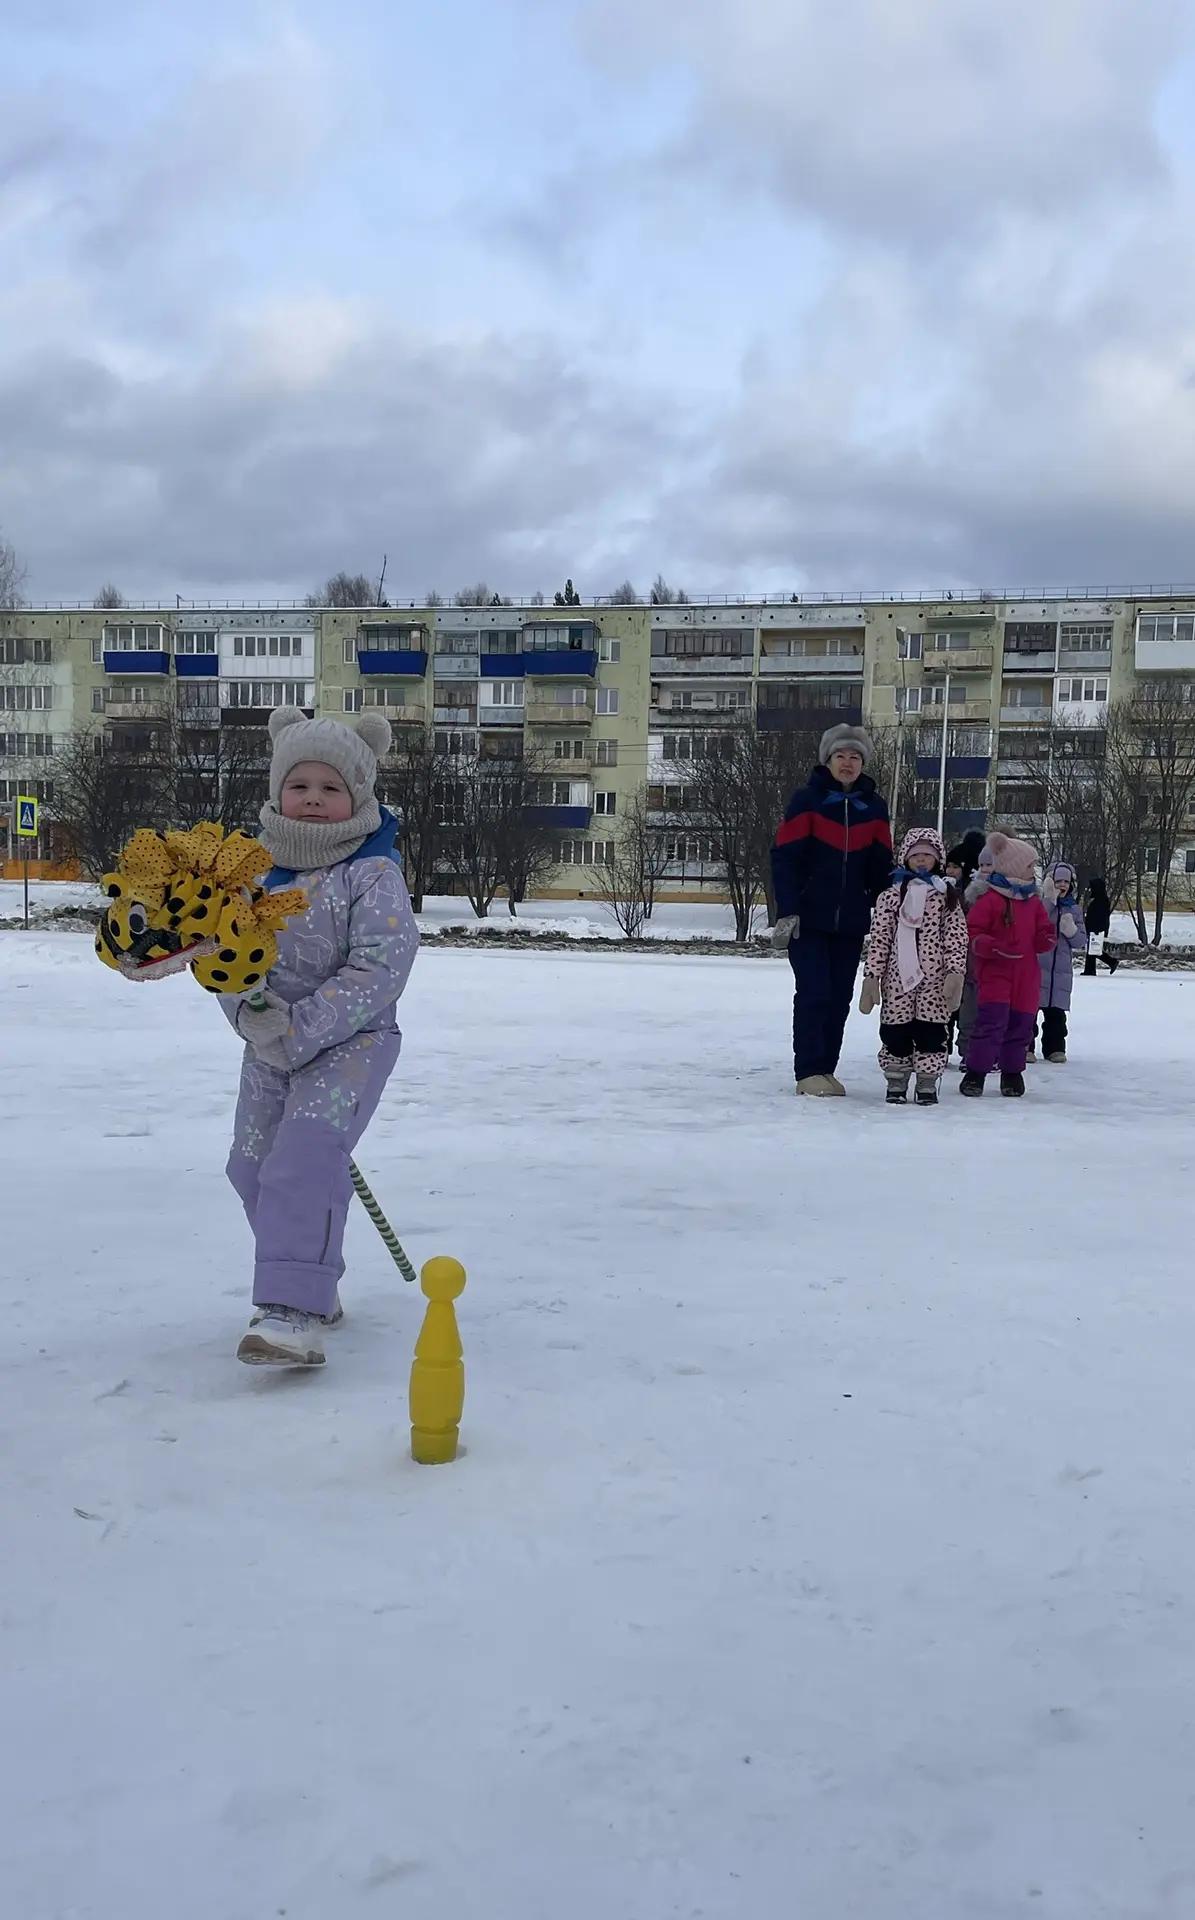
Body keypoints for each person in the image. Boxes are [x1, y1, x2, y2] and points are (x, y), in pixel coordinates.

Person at [223, 707, 420, 1368]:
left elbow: (380, 967)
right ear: (277, 790)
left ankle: (291, 1311)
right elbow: (224, 956)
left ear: (357, 797)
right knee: (251, 1166)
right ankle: (310, 1282)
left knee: (303, 1157)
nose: (312, 797)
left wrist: (299, 1028)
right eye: (299, 784)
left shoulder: (371, 872)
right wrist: (249, 1016)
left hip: (351, 1043)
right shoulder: (250, 875)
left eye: (330, 787)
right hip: (268, 1046)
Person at [771, 724, 893, 1096]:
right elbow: (785, 857)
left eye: (855, 757)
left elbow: (880, 867)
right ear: (828, 759)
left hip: (850, 922)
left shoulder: (874, 807)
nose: (848, 762)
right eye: (841, 755)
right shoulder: (807, 800)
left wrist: (890, 907)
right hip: (808, 918)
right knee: (814, 992)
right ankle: (808, 1071)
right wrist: (788, 909)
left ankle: (826, 1069)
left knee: (839, 998)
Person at [858, 827, 969, 1106]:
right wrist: (872, 976)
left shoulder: (946, 897)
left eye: (928, 855)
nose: (921, 860)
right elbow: (881, 939)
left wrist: (955, 973)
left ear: (938, 859)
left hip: (934, 981)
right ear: (905, 858)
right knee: (895, 1032)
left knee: (931, 1032)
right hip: (897, 981)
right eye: (916, 855)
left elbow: (956, 938)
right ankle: (896, 1080)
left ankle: (927, 1082)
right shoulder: (890, 897)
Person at [960, 832, 1055, 1098]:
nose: (1033, 871)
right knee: (991, 1022)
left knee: (1021, 1025)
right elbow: (973, 931)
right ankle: (976, 1072)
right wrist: (989, 946)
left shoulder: (1032, 902)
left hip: (1026, 975)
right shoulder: (990, 899)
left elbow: (1043, 929)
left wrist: (1046, 937)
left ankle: (1012, 1073)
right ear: (1013, 866)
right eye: (1029, 866)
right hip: (996, 972)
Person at [1037, 861, 1086, 1063]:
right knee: (1029, 1012)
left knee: (1056, 1015)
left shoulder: (1074, 909)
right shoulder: (1041, 905)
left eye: (1066, 882)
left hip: (1061, 973)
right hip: (1039, 969)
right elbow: (1034, 927)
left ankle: (1055, 1048)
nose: (1062, 885)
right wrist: (1050, 902)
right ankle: (1025, 1047)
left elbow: (1081, 941)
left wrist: (1071, 931)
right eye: (1058, 881)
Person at [955, 844, 996, 1066]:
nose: (985, 869)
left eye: (990, 864)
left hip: (996, 965)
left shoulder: (1007, 894)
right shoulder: (971, 893)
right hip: (971, 963)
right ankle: (967, 1052)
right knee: (968, 1013)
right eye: (982, 865)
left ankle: (992, 1053)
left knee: (992, 1014)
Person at [1083, 876, 1120, 977]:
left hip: (1095, 928)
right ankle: (1091, 969)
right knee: (1093, 949)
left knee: (1093, 949)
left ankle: (1110, 962)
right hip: (1093, 928)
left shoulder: (1101, 901)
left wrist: (1096, 928)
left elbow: (1100, 917)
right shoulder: (1100, 899)